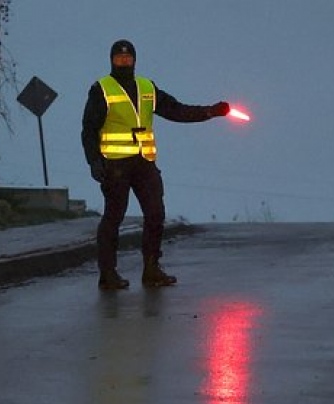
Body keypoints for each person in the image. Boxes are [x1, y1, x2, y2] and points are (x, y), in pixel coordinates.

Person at [81, 39, 230, 290]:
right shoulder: (102, 89)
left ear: (135, 60)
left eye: (128, 59)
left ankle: (151, 268)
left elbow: (175, 110)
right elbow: (89, 129)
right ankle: (107, 273)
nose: (124, 62)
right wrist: (94, 162)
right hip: (115, 165)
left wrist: (209, 112)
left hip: (144, 163)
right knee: (113, 217)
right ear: (111, 60)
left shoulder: (146, 87)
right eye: (119, 58)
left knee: (156, 213)